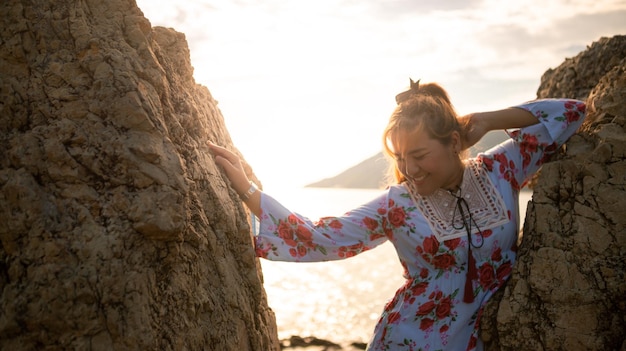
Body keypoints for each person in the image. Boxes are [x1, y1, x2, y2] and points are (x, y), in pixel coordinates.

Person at [208, 80, 586, 351]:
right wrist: (247, 189)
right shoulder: (397, 205)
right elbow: (322, 237)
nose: (409, 169)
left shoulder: (500, 169)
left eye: (419, 156)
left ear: (455, 142)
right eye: (401, 158)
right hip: (407, 339)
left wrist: (485, 119)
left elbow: (570, 113)